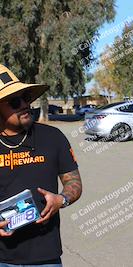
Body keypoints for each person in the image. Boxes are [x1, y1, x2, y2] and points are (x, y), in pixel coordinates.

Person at [0, 64, 82, 266]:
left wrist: (61, 200)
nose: (24, 105)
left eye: (26, 98)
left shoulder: (53, 137)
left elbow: (74, 183)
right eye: (15, 101)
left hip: (45, 257)